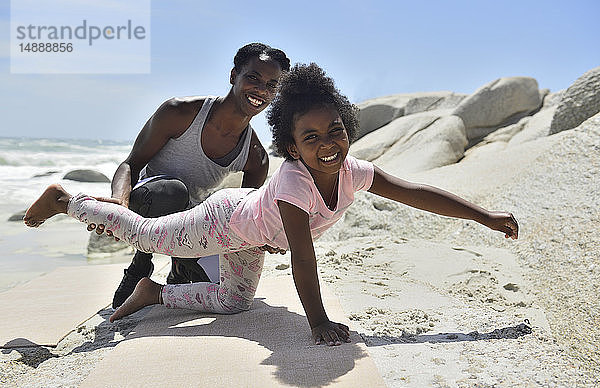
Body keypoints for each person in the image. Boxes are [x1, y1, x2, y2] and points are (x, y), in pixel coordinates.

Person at [24, 63, 519, 346]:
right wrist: (318, 322)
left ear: (348, 128)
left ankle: (153, 294)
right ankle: (67, 199)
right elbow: (304, 259)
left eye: (335, 131)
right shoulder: (295, 185)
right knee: (145, 233)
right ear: (291, 146)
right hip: (222, 221)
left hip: (252, 236)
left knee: (233, 304)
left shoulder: (354, 171)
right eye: (311, 138)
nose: (327, 144)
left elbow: (417, 194)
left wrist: (484, 216)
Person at [104, 43, 290, 309]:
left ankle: (180, 267)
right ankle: (140, 264)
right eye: (253, 78)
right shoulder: (178, 112)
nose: (261, 90)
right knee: (173, 192)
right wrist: (119, 203)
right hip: (148, 201)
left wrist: (268, 239)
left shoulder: (256, 157)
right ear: (233, 75)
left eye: (272, 85)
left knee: (219, 281)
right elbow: (130, 165)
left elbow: (247, 216)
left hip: (190, 220)